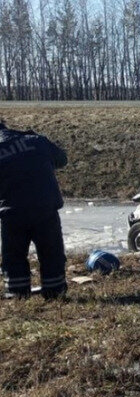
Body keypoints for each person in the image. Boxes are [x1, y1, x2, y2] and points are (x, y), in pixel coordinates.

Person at [0, 122, 68, 299]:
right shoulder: (37, 140)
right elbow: (62, 159)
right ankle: (55, 292)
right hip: (45, 207)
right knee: (51, 251)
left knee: (14, 255)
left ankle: (17, 293)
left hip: (12, 212)